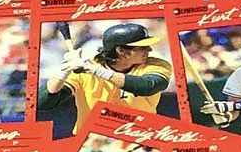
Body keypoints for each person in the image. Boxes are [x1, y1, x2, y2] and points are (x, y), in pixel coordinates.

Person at [41, 22, 173, 135]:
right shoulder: (85, 69)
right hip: (92, 141)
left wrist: (97, 71)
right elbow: (45, 102)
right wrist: (63, 72)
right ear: (121, 51)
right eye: (142, 47)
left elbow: (148, 86)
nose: (149, 50)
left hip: (139, 138)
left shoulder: (156, 65)